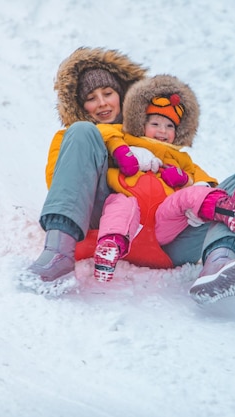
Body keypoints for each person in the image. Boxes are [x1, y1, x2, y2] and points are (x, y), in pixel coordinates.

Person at [91, 75, 235, 283]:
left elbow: (207, 182)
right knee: (121, 204)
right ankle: (110, 247)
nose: (162, 131)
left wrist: (185, 180)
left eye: (170, 126)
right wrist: (122, 150)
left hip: (164, 222)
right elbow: (98, 132)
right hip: (130, 216)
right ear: (141, 124)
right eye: (155, 123)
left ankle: (228, 209)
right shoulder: (125, 138)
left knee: (186, 197)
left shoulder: (182, 159)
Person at [27, 46, 147, 280]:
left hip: (154, 222)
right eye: (91, 99)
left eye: (108, 93)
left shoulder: (152, 129)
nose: (102, 103)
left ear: (122, 94)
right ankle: (58, 253)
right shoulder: (75, 136)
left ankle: (219, 263)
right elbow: (61, 186)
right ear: (82, 107)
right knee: (83, 131)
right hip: (101, 215)